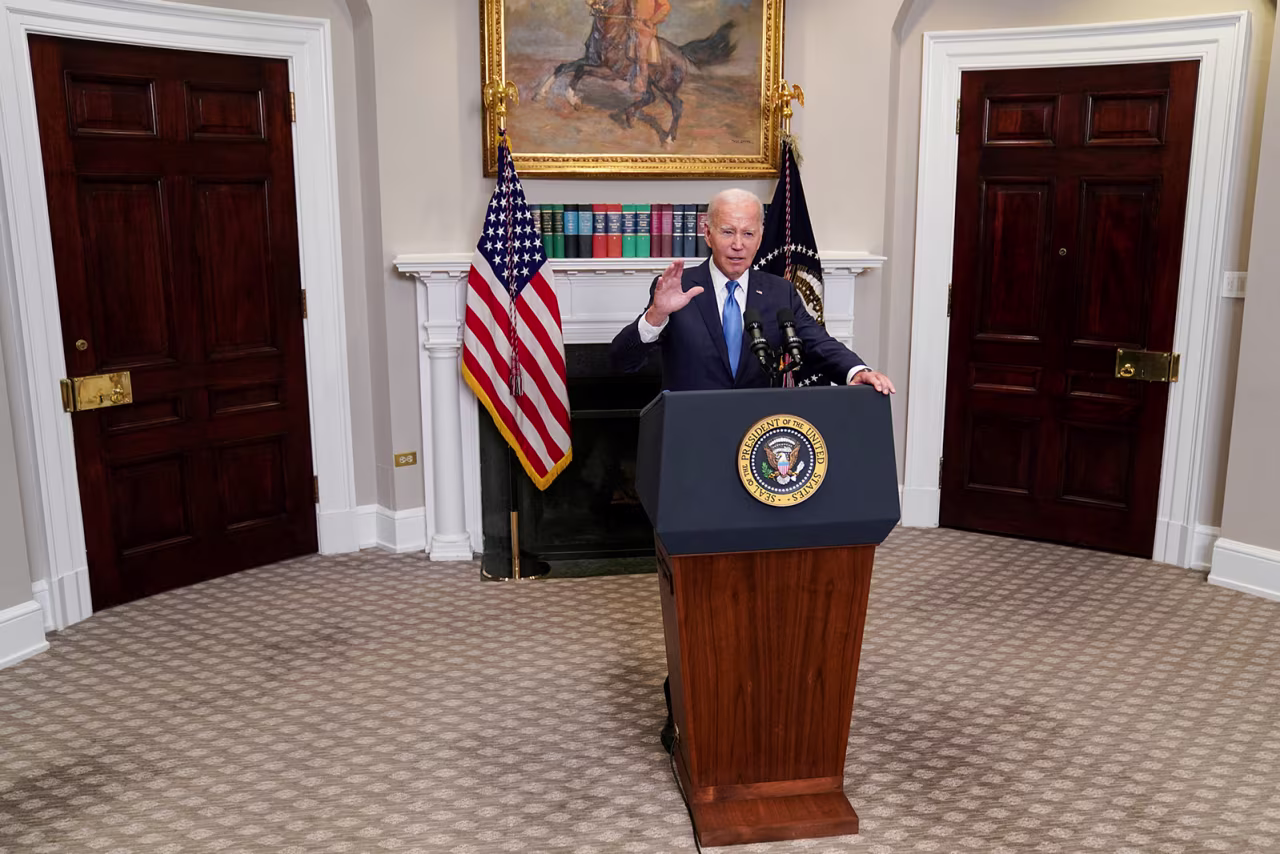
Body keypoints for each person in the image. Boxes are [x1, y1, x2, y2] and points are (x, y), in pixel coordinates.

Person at [609, 188, 895, 752]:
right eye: (727, 231)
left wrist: (857, 371)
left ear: (760, 237)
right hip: (692, 467)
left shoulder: (778, 291)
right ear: (706, 231)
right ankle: (687, 706)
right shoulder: (675, 287)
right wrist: (653, 317)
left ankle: (751, 700)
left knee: (755, 586)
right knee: (700, 591)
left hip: (761, 464)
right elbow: (623, 359)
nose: (737, 244)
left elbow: (817, 344)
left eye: (748, 233)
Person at [625, 0, 671, 93]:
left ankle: (642, 85)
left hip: (644, 29)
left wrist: (652, 20)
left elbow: (666, 7)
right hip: (630, 26)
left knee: (641, 54)